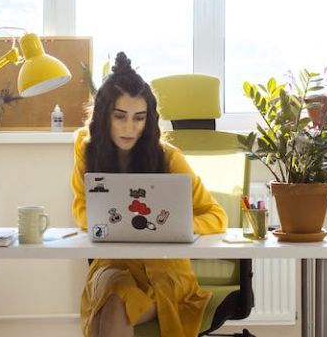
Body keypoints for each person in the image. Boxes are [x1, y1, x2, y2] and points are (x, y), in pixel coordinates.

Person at [71, 51, 228, 337]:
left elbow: (217, 215)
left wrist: (179, 226)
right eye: (120, 117)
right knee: (113, 298)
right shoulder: (87, 151)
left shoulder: (169, 158)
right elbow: (81, 206)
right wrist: (96, 220)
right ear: (105, 116)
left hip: (165, 271)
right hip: (113, 266)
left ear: (149, 119)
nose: (130, 127)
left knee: (110, 314)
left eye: (139, 118)